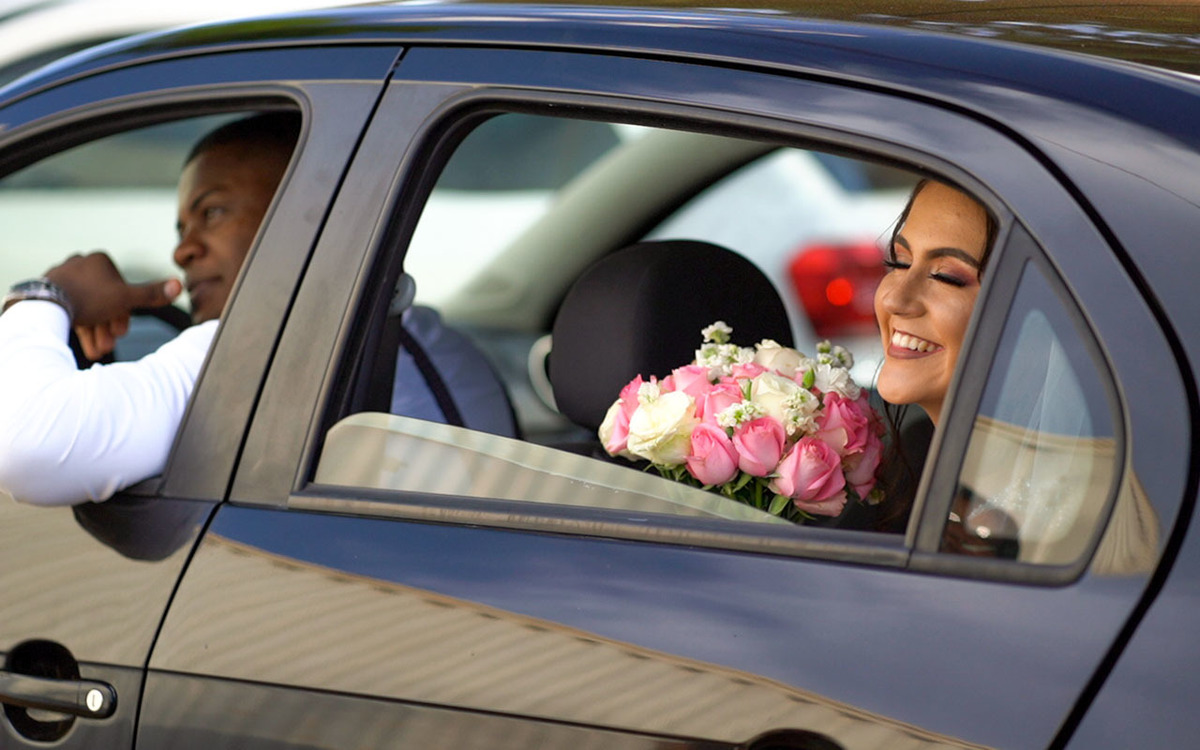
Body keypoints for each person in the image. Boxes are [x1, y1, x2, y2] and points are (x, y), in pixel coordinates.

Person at [0, 111, 514, 507]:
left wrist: (45, 295)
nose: (183, 251)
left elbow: (28, 449)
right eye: (182, 229)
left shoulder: (256, 353)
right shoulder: (434, 340)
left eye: (213, 212)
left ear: (305, 217)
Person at [833, 179, 997, 534]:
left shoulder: (1074, 521)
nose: (894, 300)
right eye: (899, 262)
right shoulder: (916, 453)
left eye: (946, 276)